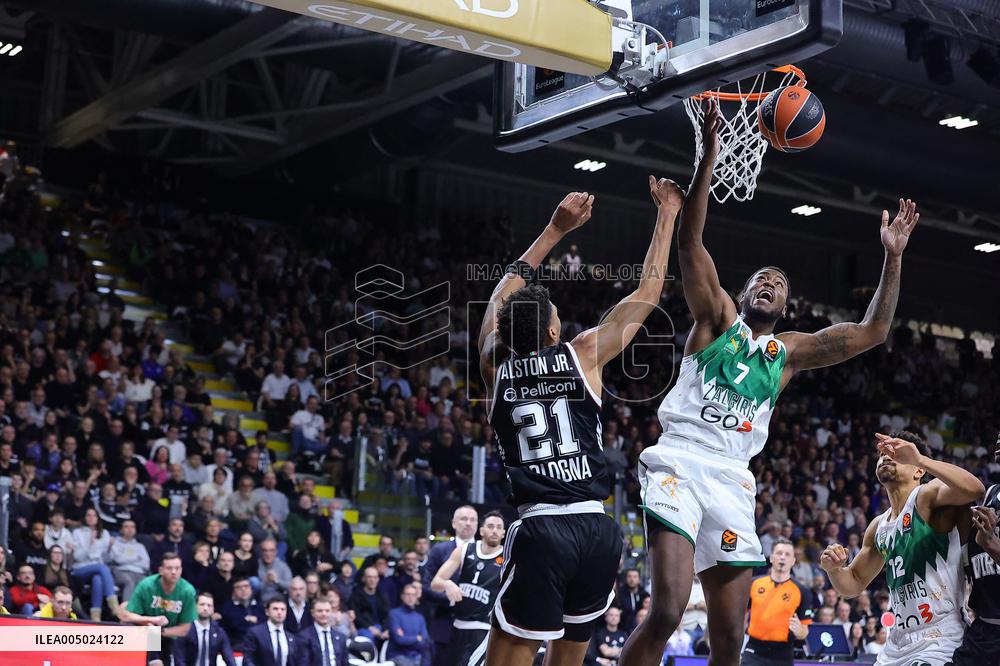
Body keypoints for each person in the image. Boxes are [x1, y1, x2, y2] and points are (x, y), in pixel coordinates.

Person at [623, 102, 921, 666]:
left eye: (779, 284)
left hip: (734, 478)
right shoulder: (715, 320)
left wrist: (893, 258)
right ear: (743, 293)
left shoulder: (788, 355)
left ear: (787, 305)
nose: (768, 284)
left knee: (732, 637)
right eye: (760, 278)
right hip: (681, 463)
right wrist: (709, 152)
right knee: (665, 611)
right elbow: (690, 244)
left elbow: (873, 331)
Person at [480, 183, 681, 665]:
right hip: (597, 529)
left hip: (543, 529)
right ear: (553, 332)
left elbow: (497, 301)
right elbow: (648, 292)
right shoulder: (583, 353)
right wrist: (668, 214)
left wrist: (553, 230)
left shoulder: (495, 366)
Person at [820, 432, 985, 666]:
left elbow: (975, 489)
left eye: (895, 454)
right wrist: (834, 569)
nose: (886, 457)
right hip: (896, 644)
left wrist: (921, 459)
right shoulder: (878, 526)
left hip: (938, 640)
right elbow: (853, 584)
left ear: (918, 471)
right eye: (882, 454)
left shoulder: (927, 496)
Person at [949, 432, 1000, 666]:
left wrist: (990, 544)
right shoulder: (991, 494)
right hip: (983, 630)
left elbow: (988, 544)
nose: (997, 442)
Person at [431, 510, 505, 666]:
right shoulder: (464, 550)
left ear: (504, 533)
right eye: (491, 526)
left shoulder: (507, 557)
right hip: (458, 626)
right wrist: (448, 584)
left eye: (499, 527)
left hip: (484, 629)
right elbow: (435, 583)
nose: (495, 530)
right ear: (482, 530)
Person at [419, 505, 478, 664]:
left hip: (477, 628)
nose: (468, 523)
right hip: (445, 625)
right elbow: (426, 586)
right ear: (453, 523)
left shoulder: (487, 553)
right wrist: (451, 598)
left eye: (472, 520)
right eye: (463, 519)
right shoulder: (439, 550)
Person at [741, 538, 813, 666]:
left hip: (783, 654)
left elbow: (804, 632)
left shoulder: (803, 591)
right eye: (779, 553)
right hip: (754, 649)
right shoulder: (754, 584)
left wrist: (799, 631)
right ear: (771, 558)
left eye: (787, 554)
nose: (783, 557)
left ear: (793, 561)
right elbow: (741, 617)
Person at [118, 552, 198, 666]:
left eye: (177, 568)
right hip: (145, 631)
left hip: (169, 635)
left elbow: (184, 629)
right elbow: (125, 615)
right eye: (169, 568)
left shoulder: (188, 591)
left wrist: (159, 631)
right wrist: (153, 620)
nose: (174, 572)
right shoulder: (147, 585)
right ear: (161, 570)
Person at [70, 506, 120, 621]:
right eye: (89, 515)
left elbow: (107, 559)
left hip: (98, 569)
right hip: (80, 569)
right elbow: (77, 557)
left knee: (98, 579)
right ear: (85, 517)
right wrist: (90, 543)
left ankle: (95, 618)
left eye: (94, 515)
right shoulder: (78, 532)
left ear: (98, 518)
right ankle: (114, 606)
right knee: (102, 568)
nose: (91, 518)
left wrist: (110, 548)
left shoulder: (104, 533)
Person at [172, 592, 237, 666]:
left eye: (209, 605)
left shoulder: (219, 632)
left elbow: (229, 657)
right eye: (202, 604)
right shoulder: (184, 630)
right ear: (194, 607)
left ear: (213, 609)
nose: (205, 608)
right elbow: (179, 661)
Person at [242, 596, 302, 666]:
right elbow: (248, 659)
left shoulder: (290, 637)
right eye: (275, 609)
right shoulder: (255, 633)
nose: (279, 612)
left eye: (283, 609)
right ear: (267, 612)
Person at [386, 584, 431, 666]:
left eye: (413, 595)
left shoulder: (420, 617)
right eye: (408, 594)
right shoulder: (394, 614)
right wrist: (417, 638)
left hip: (417, 656)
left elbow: (425, 641)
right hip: (398, 656)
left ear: (416, 597)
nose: (410, 597)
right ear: (402, 596)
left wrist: (408, 639)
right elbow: (399, 640)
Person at [296, 598, 349, 666]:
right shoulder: (304, 636)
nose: (324, 614)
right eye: (320, 611)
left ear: (331, 612)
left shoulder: (341, 638)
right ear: (312, 613)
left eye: (327, 611)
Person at [109, 519, 151, 601]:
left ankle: (146, 613)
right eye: (126, 527)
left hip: (138, 573)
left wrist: (126, 560)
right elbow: (118, 560)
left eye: (132, 527)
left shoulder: (140, 546)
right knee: (129, 582)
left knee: (148, 584)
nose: (130, 529)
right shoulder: (115, 543)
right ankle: (127, 612)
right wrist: (136, 559)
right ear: (121, 530)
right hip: (121, 571)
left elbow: (146, 564)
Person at [348, 566, 390, 643]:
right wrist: (370, 627)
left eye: (374, 577)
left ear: (378, 579)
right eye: (369, 577)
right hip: (364, 628)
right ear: (364, 578)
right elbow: (356, 616)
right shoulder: (356, 595)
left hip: (381, 627)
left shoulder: (382, 595)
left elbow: (387, 615)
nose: (372, 580)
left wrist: (386, 629)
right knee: (368, 637)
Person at [220, 577, 262, 650]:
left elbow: (264, 623)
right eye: (239, 587)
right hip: (238, 644)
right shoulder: (227, 608)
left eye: (246, 586)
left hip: (260, 642)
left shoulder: (259, 606)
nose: (243, 590)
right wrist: (247, 620)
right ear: (233, 591)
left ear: (251, 589)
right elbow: (233, 626)